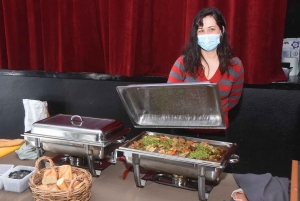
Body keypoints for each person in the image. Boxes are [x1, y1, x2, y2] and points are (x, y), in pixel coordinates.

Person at [168, 7, 244, 141]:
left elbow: (233, 100)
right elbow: (170, 97)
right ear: (196, 35)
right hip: (182, 134)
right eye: (201, 30)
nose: (206, 34)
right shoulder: (182, 63)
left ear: (222, 31)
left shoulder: (235, 65)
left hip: (217, 135)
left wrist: (213, 115)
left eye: (211, 29)